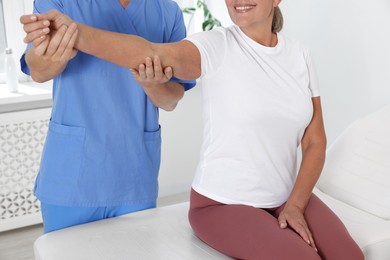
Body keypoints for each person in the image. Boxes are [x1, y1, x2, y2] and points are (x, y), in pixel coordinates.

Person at [21, 0, 364, 259]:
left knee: (351, 255)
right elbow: (148, 51)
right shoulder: (215, 44)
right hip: (84, 171)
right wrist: (71, 33)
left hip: (145, 174)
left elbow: (315, 140)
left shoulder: (299, 54)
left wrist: (296, 204)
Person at [19, 0, 195, 233]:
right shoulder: (61, 2)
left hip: (133, 175)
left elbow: (171, 100)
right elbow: (38, 71)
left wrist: (153, 86)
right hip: (71, 175)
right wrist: (53, 52)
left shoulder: (167, 12)